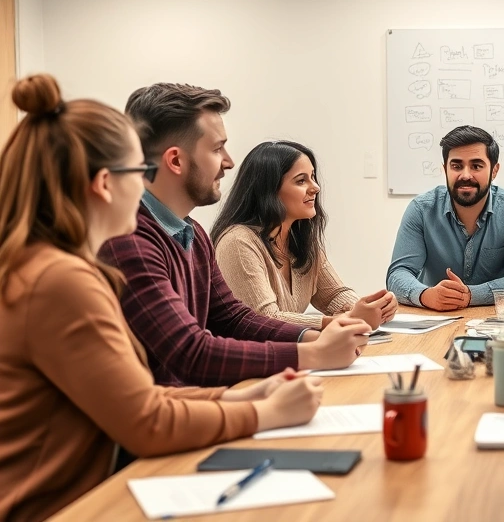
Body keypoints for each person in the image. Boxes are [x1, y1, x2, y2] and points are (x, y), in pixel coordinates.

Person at [0, 74, 324, 522]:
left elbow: (142, 397)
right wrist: (263, 412)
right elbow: (147, 422)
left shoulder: (51, 266)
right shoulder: (61, 280)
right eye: (138, 172)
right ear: (104, 184)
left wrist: (240, 400)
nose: (143, 189)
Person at [100, 83, 369, 387]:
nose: (228, 162)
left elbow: (233, 319)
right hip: (159, 420)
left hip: (191, 406)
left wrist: (311, 336)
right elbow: (192, 353)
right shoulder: (130, 240)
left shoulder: (192, 233)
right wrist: (313, 354)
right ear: (175, 161)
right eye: (217, 149)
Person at [211, 140, 398, 329]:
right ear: (269, 191)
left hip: (290, 352)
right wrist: (338, 321)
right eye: (301, 180)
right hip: (253, 356)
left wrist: (372, 307)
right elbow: (264, 319)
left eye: (312, 177)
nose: (315, 187)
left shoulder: (299, 239)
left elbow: (333, 294)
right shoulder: (238, 242)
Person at [386, 125, 504, 311]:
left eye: (476, 166)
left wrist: (470, 295)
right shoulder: (421, 209)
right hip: (435, 316)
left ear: (494, 170)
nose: (465, 175)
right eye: (456, 166)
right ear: (445, 169)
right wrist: (425, 295)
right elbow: (398, 274)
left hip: (495, 318)